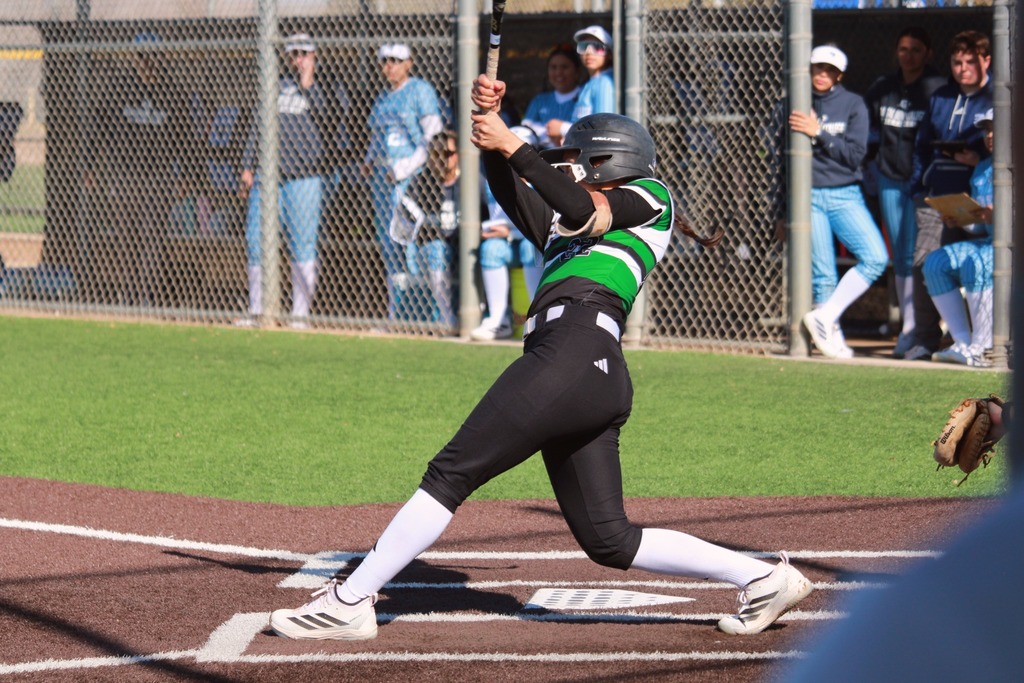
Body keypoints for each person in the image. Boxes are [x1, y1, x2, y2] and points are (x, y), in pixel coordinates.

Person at [267, 73, 813, 641]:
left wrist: (514, 144)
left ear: (608, 160)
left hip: (575, 350)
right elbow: (519, 189)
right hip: (583, 366)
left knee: (452, 472)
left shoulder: (652, 195)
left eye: (579, 157)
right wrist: (493, 136)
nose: (569, 165)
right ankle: (763, 578)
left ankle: (349, 600)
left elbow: (577, 200)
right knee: (609, 539)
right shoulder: (564, 227)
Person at [791, 46, 888, 359]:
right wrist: (781, 212)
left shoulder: (853, 103)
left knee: (875, 257)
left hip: (845, 193)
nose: (822, 74)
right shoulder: (794, 101)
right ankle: (829, 334)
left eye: (829, 70)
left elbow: (855, 157)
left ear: (839, 75)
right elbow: (780, 161)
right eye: (817, 68)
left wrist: (818, 132)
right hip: (808, 196)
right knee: (823, 274)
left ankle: (825, 316)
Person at [902, 30, 994, 362]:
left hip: (979, 195)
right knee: (929, 262)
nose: (963, 68)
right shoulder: (941, 97)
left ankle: (982, 345)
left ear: (986, 61)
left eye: (970, 61)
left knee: (981, 264)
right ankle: (928, 339)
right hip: (940, 197)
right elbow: (922, 146)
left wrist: (977, 157)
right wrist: (919, 187)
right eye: (957, 62)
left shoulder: (999, 96)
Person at [864, 27, 947, 359]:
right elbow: (868, 130)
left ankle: (927, 328)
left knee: (921, 254)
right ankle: (908, 327)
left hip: (924, 183)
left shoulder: (937, 87)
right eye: (903, 49)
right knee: (899, 253)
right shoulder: (883, 87)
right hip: (889, 179)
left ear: (927, 53)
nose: (908, 55)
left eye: (915, 50)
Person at [237, 33, 328, 329]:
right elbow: (257, 125)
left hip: (304, 177)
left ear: (314, 56)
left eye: (303, 53)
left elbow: (331, 118)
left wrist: (308, 84)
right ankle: (259, 311)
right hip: (269, 176)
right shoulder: (275, 85)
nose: (298, 60)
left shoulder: (327, 86)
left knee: (302, 245)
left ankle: (299, 314)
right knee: (256, 239)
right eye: (293, 54)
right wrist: (248, 165)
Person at [362, 43, 444, 324]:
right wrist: (369, 160)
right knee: (390, 246)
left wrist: (404, 167)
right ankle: (397, 313)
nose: (389, 66)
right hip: (383, 181)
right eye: (385, 61)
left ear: (409, 62)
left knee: (412, 246)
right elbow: (377, 137)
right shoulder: (383, 99)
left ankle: (423, 316)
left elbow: (433, 136)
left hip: (413, 181)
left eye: (396, 60)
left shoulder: (421, 90)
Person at [923, 109, 995, 368]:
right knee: (935, 263)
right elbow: (981, 225)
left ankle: (985, 348)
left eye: (997, 128)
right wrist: (962, 218)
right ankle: (964, 343)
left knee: (979, 261)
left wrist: (995, 217)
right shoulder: (983, 168)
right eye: (987, 129)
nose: (990, 134)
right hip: (990, 242)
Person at [470, 125, 545, 341]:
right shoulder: (496, 176)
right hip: (506, 241)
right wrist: (498, 230)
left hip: (531, 241)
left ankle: (537, 318)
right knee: (491, 249)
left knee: (528, 247)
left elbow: (544, 222)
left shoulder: (541, 179)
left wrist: (510, 229)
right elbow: (497, 220)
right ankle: (498, 320)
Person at [389, 129, 461, 331]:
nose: (441, 160)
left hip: (463, 251)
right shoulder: (421, 183)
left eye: (447, 154)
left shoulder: (471, 182)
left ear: (459, 155)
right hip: (431, 252)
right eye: (435, 155)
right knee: (436, 250)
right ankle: (448, 321)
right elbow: (405, 227)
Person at [546, 25, 616, 147]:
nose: (589, 52)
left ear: (609, 54)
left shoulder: (605, 82)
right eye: (584, 46)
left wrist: (562, 128)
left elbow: (603, 128)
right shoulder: (590, 83)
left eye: (598, 47)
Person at [520, 43, 583, 151]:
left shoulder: (584, 97)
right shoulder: (539, 101)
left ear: (577, 71)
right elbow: (525, 132)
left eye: (565, 67)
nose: (558, 72)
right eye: (553, 67)